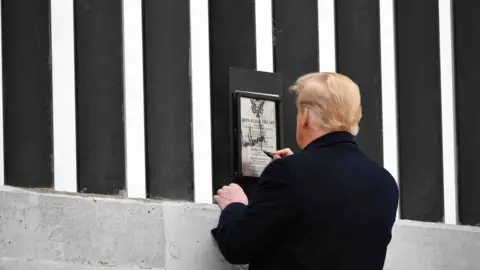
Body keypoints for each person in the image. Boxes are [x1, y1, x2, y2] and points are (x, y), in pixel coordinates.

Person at [211, 72, 399, 270]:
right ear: (356, 117)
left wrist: (235, 206)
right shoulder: (384, 182)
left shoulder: (290, 173)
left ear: (306, 117)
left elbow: (237, 246)